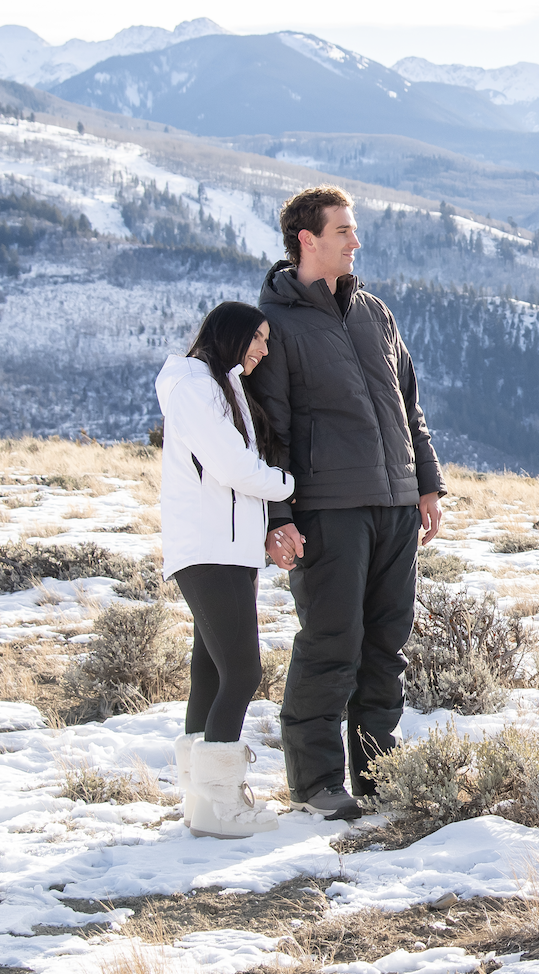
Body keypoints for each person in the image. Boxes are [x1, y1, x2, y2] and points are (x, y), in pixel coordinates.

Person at [246, 185, 445, 820]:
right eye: (343, 231)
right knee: (332, 643)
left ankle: (379, 776)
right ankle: (316, 784)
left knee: (386, 646)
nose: (356, 241)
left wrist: (426, 484)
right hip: (328, 510)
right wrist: (278, 517)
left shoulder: (374, 312)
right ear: (307, 240)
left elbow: (408, 404)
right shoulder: (275, 325)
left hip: (395, 504)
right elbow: (270, 430)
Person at [155, 301, 296, 839]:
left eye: (267, 340)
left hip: (226, 547)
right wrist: (289, 485)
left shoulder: (219, 384)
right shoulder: (197, 388)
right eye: (256, 338)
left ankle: (202, 801)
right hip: (209, 547)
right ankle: (220, 802)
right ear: (229, 335)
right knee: (242, 671)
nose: (263, 349)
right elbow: (232, 466)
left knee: (213, 672)